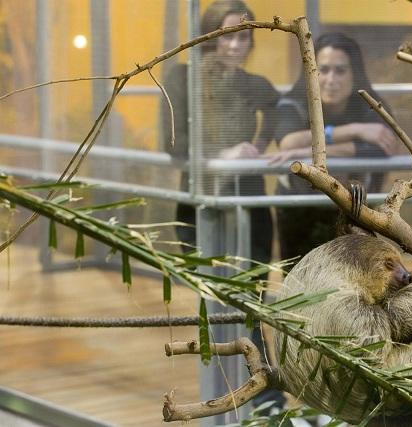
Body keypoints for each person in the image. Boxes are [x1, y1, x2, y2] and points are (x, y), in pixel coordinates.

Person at [161, 0, 285, 411]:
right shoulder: (182, 77)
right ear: (209, 35)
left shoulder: (253, 83)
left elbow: (284, 109)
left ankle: (262, 392)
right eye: (228, 34)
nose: (236, 44)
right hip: (201, 202)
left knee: (250, 297)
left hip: (248, 199)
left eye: (244, 36)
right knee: (214, 299)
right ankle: (229, 393)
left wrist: (264, 147)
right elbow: (173, 142)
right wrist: (223, 154)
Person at [266, 32, 397, 260]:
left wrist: (309, 150)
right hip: (299, 209)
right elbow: (287, 141)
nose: (331, 79)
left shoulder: (369, 104)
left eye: (340, 70)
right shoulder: (293, 102)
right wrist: (354, 131)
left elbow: (382, 148)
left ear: (354, 73)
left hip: (353, 208)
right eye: (323, 70)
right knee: (301, 280)